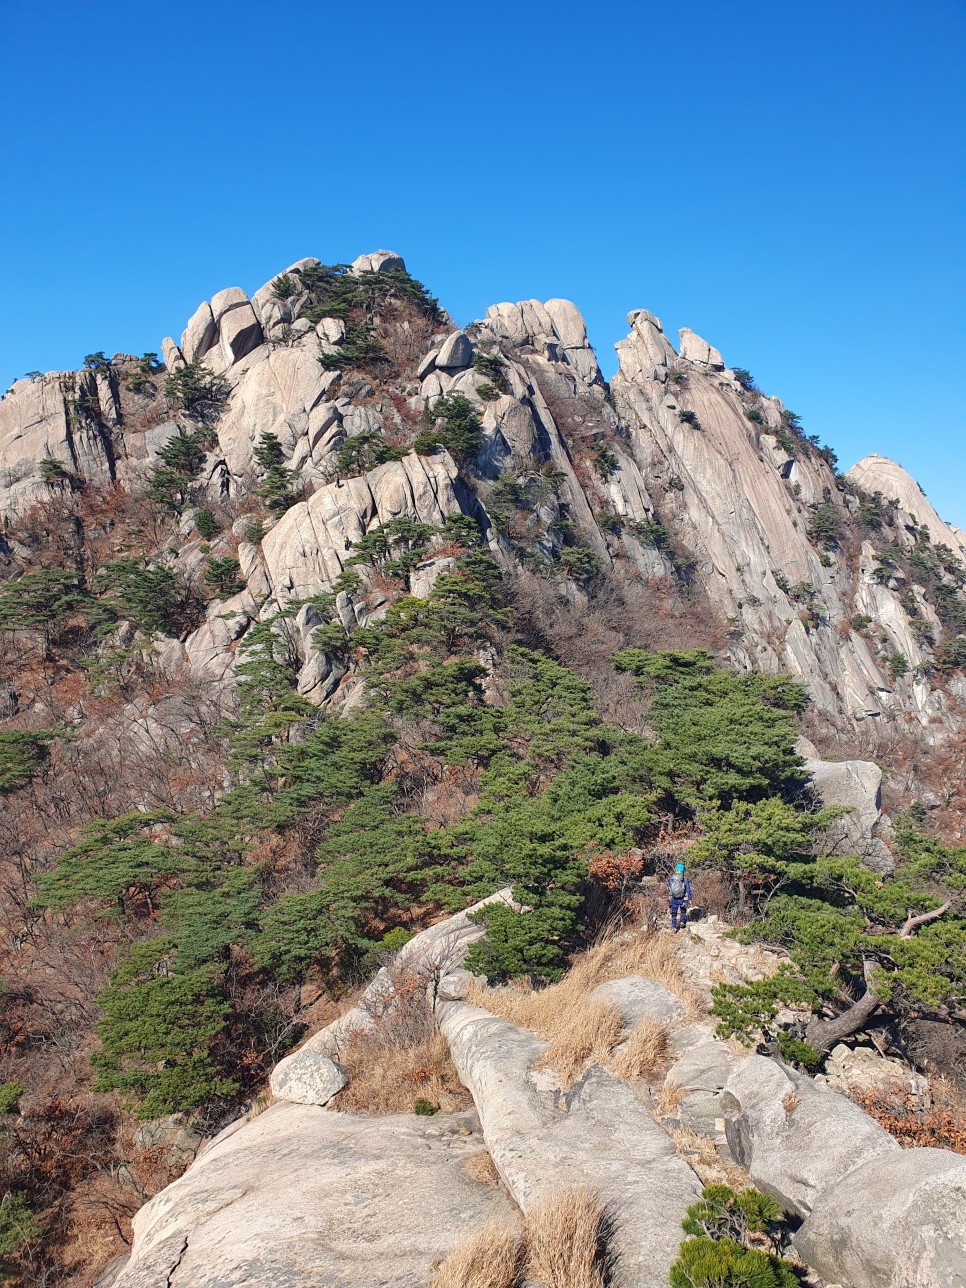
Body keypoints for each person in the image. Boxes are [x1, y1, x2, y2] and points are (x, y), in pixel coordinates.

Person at [667, 863, 692, 932]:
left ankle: (674, 927)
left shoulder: (671, 878)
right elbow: (688, 889)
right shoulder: (684, 879)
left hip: (674, 898)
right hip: (682, 898)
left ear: (676, 869)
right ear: (683, 870)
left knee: (674, 913)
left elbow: (669, 888)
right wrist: (689, 898)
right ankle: (681, 922)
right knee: (683, 910)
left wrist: (669, 898)